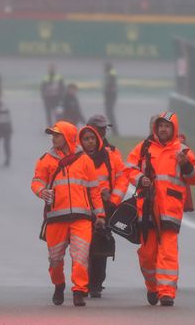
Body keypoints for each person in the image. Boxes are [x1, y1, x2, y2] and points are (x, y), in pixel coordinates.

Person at [125, 112, 195, 306]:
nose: (163, 129)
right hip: (147, 210)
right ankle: (152, 288)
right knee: (148, 254)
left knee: (168, 253)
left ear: (173, 129)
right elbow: (128, 169)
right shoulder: (144, 148)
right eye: (160, 126)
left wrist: (185, 166)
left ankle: (167, 292)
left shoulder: (183, 151)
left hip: (170, 211)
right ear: (155, 128)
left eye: (167, 126)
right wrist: (139, 178)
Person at [31, 121, 106, 307]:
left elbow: (94, 191)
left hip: (81, 218)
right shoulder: (45, 159)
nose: (53, 138)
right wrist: (42, 192)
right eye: (52, 135)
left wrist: (101, 215)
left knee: (80, 256)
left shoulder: (85, 160)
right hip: (56, 218)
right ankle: (59, 285)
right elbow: (36, 182)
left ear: (68, 137)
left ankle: (79, 291)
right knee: (55, 259)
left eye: (57, 135)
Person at [79, 122, 128, 297]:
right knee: (82, 248)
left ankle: (96, 284)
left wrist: (113, 201)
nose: (91, 141)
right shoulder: (76, 157)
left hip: (105, 208)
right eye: (86, 138)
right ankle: (82, 283)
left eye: (93, 138)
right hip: (82, 209)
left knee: (100, 247)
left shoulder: (110, 156)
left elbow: (123, 178)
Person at [103, 62, 119, 135]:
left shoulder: (111, 75)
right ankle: (114, 131)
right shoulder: (111, 74)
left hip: (110, 96)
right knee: (109, 114)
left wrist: (106, 94)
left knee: (109, 114)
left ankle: (114, 131)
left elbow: (110, 86)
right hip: (111, 96)